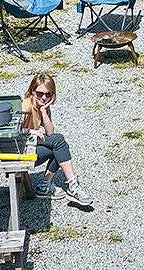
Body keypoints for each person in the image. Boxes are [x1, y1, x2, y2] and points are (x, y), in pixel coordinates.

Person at [22, 73, 94, 205]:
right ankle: (72, 186)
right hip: (20, 150)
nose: (43, 97)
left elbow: (50, 132)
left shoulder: (42, 106)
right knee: (59, 142)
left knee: (60, 148)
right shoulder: (25, 106)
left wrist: (44, 111)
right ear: (33, 91)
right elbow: (12, 132)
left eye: (48, 94)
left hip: (31, 146)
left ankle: (45, 187)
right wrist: (31, 131)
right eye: (39, 93)